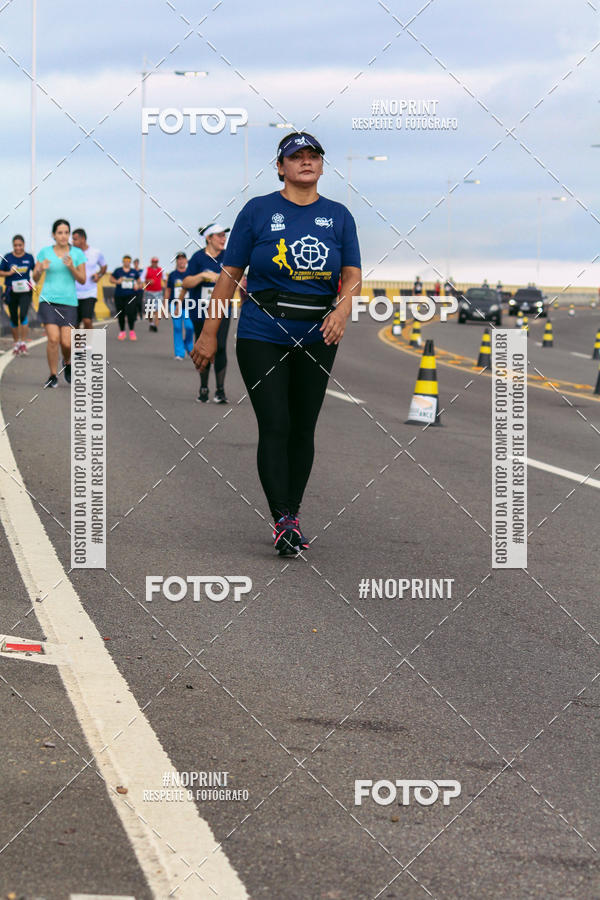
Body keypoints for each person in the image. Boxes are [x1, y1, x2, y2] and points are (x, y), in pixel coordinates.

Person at [191, 131, 362, 555]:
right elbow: (229, 276)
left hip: (318, 332)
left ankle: (293, 512)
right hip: (261, 330)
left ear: (322, 165)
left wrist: (342, 311)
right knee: (276, 424)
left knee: (304, 427)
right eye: (296, 157)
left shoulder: (339, 216)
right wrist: (209, 332)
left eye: (313, 156)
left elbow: (353, 275)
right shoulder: (258, 211)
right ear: (281, 167)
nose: (305, 162)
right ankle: (282, 519)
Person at [32, 219, 86, 388]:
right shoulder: (44, 252)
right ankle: (53, 375)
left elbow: (83, 280)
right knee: (53, 339)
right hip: (48, 301)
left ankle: (68, 361)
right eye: (60, 232)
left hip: (69, 303)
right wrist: (40, 269)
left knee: (66, 342)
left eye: (66, 232)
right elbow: (35, 278)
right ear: (54, 235)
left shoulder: (77, 254)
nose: (63, 236)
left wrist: (71, 266)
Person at [183, 224, 231, 402]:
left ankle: (220, 391)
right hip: (200, 311)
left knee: (221, 347)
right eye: (219, 236)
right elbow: (186, 282)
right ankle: (203, 388)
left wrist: (221, 278)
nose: (223, 239)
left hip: (221, 310)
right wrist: (203, 276)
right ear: (209, 238)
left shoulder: (228, 256)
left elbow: (237, 278)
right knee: (203, 348)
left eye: (224, 236)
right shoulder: (197, 258)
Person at [0, 234, 35, 355]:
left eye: (20, 245)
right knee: (14, 318)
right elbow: (0, 272)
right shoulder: (8, 257)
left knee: (23, 315)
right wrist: (9, 273)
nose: (18, 247)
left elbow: (35, 272)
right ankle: (16, 344)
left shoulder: (29, 257)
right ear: (13, 246)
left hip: (25, 291)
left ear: (24, 245)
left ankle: (23, 343)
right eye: (15, 245)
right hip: (11, 291)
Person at [71, 228, 107, 329]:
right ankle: (78, 345)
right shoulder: (71, 253)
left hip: (89, 292)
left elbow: (104, 267)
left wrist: (99, 275)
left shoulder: (96, 252)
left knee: (87, 320)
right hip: (73, 293)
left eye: (75, 239)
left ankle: (89, 343)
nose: (72, 242)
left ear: (83, 239)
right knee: (75, 325)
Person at [166, 252, 194, 359]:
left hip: (189, 305)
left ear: (186, 261)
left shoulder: (191, 273)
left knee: (190, 327)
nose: (181, 261)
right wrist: (165, 303)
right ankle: (179, 353)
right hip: (175, 304)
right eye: (179, 259)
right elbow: (168, 290)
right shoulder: (173, 275)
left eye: (183, 259)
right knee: (177, 328)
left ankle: (188, 344)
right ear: (177, 261)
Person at [110, 255, 139, 340]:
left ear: (130, 262)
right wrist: (117, 281)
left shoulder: (134, 272)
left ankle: (132, 331)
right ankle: (122, 331)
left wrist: (137, 285)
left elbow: (139, 282)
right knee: (120, 314)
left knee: (130, 313)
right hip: (119, 295)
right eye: (125, 260)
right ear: (123, 261)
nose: (126, 262)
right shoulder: (118, 271)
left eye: (128, 260)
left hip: (131, 295)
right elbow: (110, 279)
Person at [144, 256, 164, 331]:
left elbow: (165, 279)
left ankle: (155, 326)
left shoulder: (160, 270)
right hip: (149, 292)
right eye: (153, 262)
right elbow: (142, 278)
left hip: (158, 292)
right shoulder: (147, 269)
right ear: (151, 262)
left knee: (158, 309)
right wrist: (147, 280)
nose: (155, 263)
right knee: (149, 310)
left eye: (156, 262)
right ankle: (151, 323)